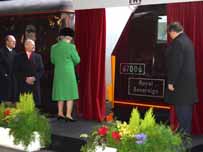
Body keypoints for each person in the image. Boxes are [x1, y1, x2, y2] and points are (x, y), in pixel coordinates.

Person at [165, 22, 198, 134]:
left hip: (180, 84)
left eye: (170, 34)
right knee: (186, 111)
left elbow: (176, 64)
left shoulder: (178, 43)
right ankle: (186, 135)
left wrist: (171, 82)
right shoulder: (188, 41)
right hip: (188, 85)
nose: (170, 36)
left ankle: (184, 137)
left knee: (182, 111)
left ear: (173, 32)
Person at [51, 27, 80, 122]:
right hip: (69, 73)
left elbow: (53, 61)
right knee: (70, 94)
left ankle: (60, 113)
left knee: (60, 93)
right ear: (70, 37)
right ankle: (68, 115)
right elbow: (77, 60)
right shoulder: (71, 47)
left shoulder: (54, 47)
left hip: (58, 73)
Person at [14, 39, 44, 106]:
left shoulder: (38, 57)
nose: (34, 46)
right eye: (32, 45)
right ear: (26, 45)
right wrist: (25, 79)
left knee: (35, 105)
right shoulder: (18, 57)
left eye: (34, 45)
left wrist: (34, 78)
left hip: (34, 85)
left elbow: (41, 70)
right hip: (23, 85)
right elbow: (16, 71)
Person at [0, 35, 17, 103]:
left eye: (15, 41)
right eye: (13, 41)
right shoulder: (1, 52)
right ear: (7, 42)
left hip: (13, 80)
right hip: (4, 80)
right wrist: (5, 75)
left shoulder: (15, 53)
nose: (14, 43)